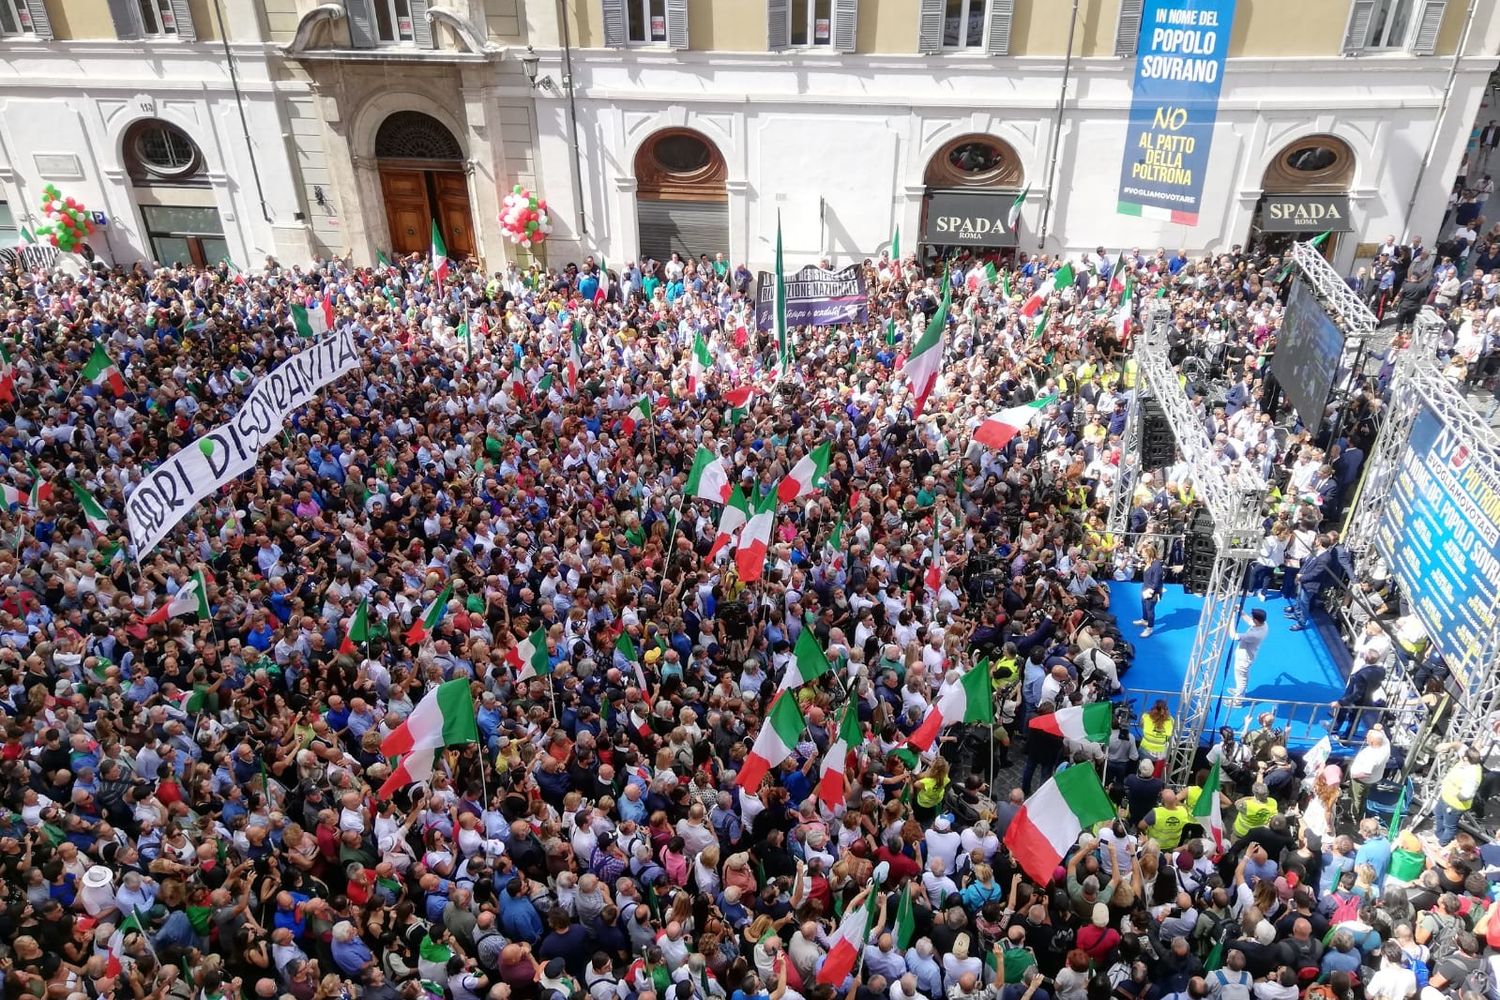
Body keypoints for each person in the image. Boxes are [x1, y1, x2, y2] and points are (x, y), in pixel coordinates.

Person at [1433, 748, 1483, 847]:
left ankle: (1441, 843)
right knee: (1439, 816)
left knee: (1449, 826)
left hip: (1454, 805)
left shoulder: (1473, 774)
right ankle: (1438, 836)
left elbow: (1466, 795)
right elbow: (1460, 747)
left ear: (1466, 759)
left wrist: (1456, 796)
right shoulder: (1465, 762)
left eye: (1464, 758)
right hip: (1445, 798)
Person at [1227, 610, 1268, 707]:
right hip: (1246, 656)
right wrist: (1241, 612)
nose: (1251, 618)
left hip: (1244, 660)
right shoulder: (1264, 624)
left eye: (1253, 617)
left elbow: (1233, 636)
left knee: (1241, 679)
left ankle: (1238, 700)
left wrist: (1231, 619)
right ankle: (1239, 692)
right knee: (1242, 677)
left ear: (1257, 620)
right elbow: (1250, 621)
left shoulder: (1254, 635)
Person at [1136, 544, 1165, 639]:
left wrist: (1150, 591)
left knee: (1150, 609)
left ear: (1149, 553)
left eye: (1143, 553)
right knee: (1143, 604)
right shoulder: (1147, 562)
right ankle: (1144, 620)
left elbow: (1156, 582)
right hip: (1145, 588)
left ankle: (1150, 627)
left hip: (1152, 591)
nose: (1142, 554)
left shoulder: (1157, 566)